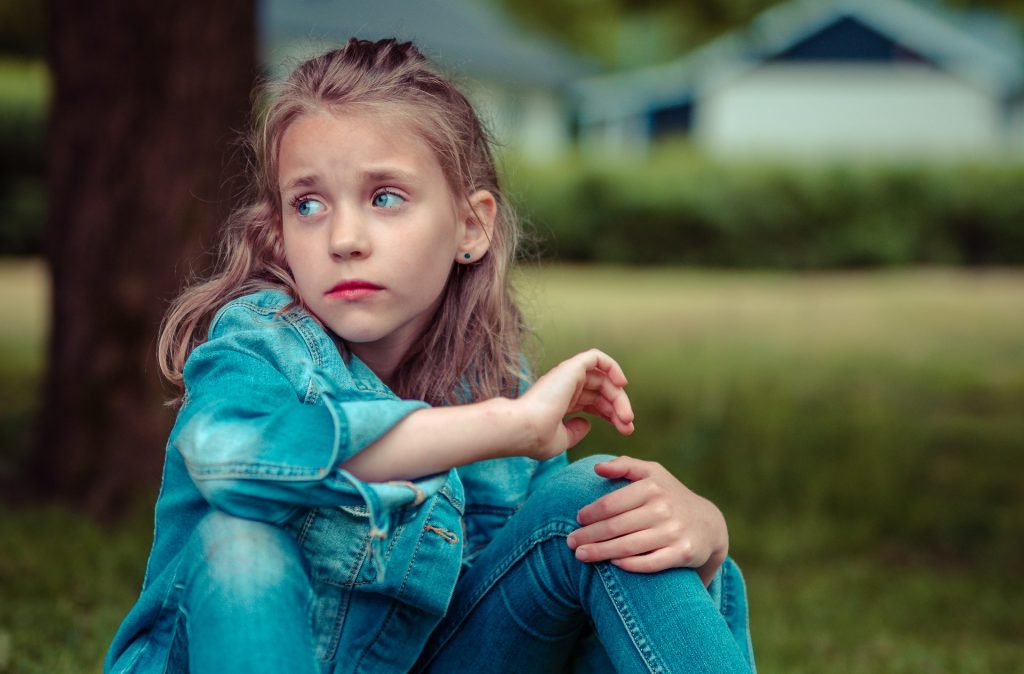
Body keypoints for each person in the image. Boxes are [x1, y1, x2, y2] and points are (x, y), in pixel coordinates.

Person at [104, 38, 755, 674]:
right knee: (239, 545)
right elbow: (225, 458)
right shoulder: (255, 345)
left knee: (606, 505)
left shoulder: (489, 380)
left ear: (470, 227)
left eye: (385, 197)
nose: (345, 238)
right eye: (308, 204)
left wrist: (707, 540)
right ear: (278, 238)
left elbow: (557, 613)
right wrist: (508, 427)